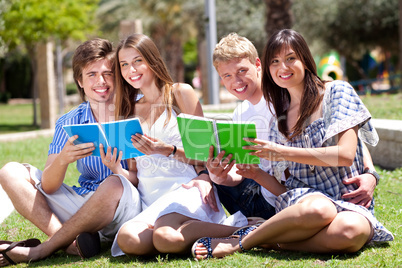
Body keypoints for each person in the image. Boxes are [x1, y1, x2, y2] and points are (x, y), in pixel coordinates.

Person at [192, 29, 393, 259]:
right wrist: (247, 175)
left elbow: (348, 151)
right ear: (268, 68)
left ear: (305, 60)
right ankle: (242, 243)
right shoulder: (280, 116)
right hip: (307, 199)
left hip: (347, 197)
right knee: (320, 208)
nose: (283, 67)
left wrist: (371, 173)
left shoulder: (336, 91)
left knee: (351, 231)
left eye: (290, 59)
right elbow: (285, 187)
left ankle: (267, 240)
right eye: (275, 62)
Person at [0, 38, 142, 266]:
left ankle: (47, 247)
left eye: (108, 73)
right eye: (92, 74)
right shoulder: (69, 121)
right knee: (9, 172)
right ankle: (70, 243)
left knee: (114, 182)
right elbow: (48, 186)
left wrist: (117, 169)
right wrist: (64, 159)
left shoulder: (138, 109)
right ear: (80, 81)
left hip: (127, 206)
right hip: (83, 205)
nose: (101, 81)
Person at [109, 33, 248, 257]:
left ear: (152, 60)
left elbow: (206, 154)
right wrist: (116, 168)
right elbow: (135, 174)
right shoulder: (128, 112)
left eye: (137, 61)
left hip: (186, 188)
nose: (131, 70)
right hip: (151, 198)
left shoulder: (180, 93)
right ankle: (197, 234)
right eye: (124, 64)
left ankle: (244, 231)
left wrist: (168, 151)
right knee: (129, 239)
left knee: (165, 238)